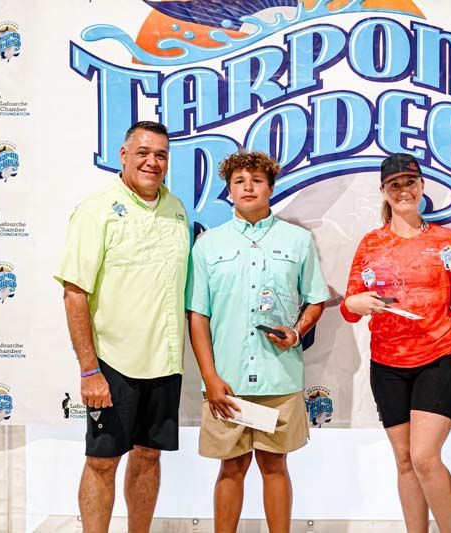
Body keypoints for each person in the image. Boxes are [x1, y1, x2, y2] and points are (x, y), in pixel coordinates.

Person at [340, 153, 451, 533]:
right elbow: (351, 307)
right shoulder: (370, 244)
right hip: (387, 365)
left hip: (440, 358)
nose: (403, 190)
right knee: (404, 461)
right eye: (395, 185)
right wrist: (354, 302)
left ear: (422, 187)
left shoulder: (444, 240)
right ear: (384, 192)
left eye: (410, 182)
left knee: (424, 457)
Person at [55, 121, 189, 533]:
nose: (153, 162)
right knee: (102, 461)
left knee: (149, 456)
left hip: (165, 362)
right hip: (112, 365)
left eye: (161, 154)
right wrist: (89, 370)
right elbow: (74, 293)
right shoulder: (96, 211)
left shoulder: (177, 209)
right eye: (144, 152)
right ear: (124, 155)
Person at [186, 150, 329, 533]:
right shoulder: (207, 246)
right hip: (226, 383)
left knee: (274, 464)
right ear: (228, 190)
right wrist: (210, 377)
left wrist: (297, 331)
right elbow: (198, 315)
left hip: (279, 379)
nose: (248, 187)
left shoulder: (298, 240)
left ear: (271, 187)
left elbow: (316, 299)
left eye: (256, 181)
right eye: (239, 181)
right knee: (231, 467)